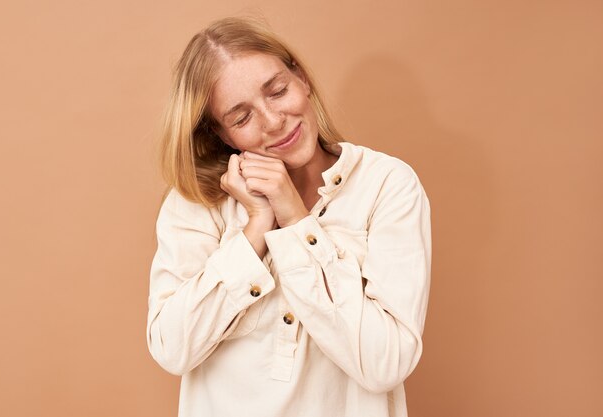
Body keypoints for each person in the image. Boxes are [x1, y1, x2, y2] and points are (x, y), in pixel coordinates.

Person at [146, 16, 431, 417]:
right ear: (221, 135)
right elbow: (171, 349)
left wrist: (296, 222)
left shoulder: (387, 185)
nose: (273, 121)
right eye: (241, 117)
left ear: (301, 78)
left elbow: (386, 363)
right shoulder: (196, 201)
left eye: (277, 91)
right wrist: (256, 228)